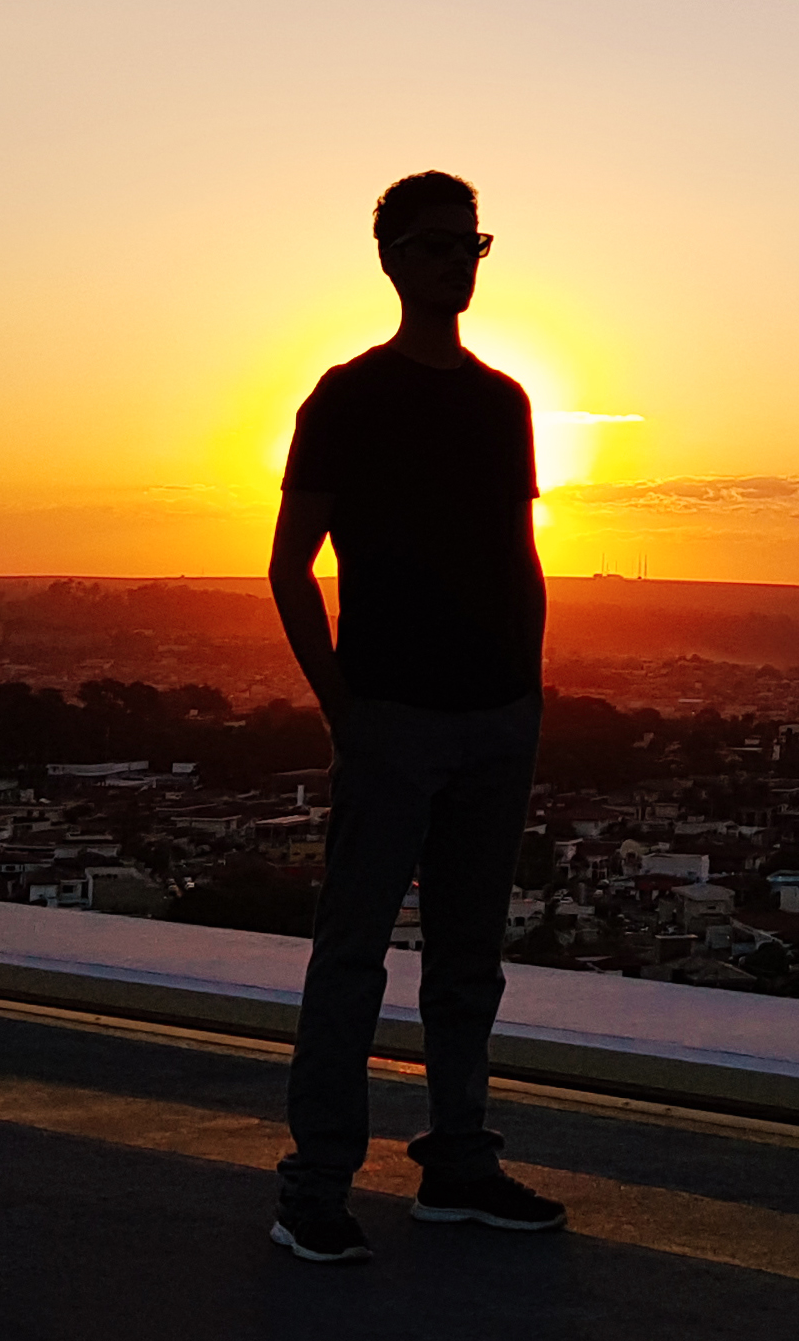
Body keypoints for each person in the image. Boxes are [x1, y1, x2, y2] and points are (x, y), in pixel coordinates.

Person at [265, 170, 569, 1262]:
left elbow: (520, 555)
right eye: (438, 244)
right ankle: (316, 1184)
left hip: (497, 716)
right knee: (353, 955)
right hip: (393, 717)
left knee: (468, 958)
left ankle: (458, 1163)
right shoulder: (349, 398)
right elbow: (290, 568)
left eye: (472, 245)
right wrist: (346, 711)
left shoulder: (504, 404)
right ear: (391, 256)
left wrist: (528, 687)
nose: (457, 262)